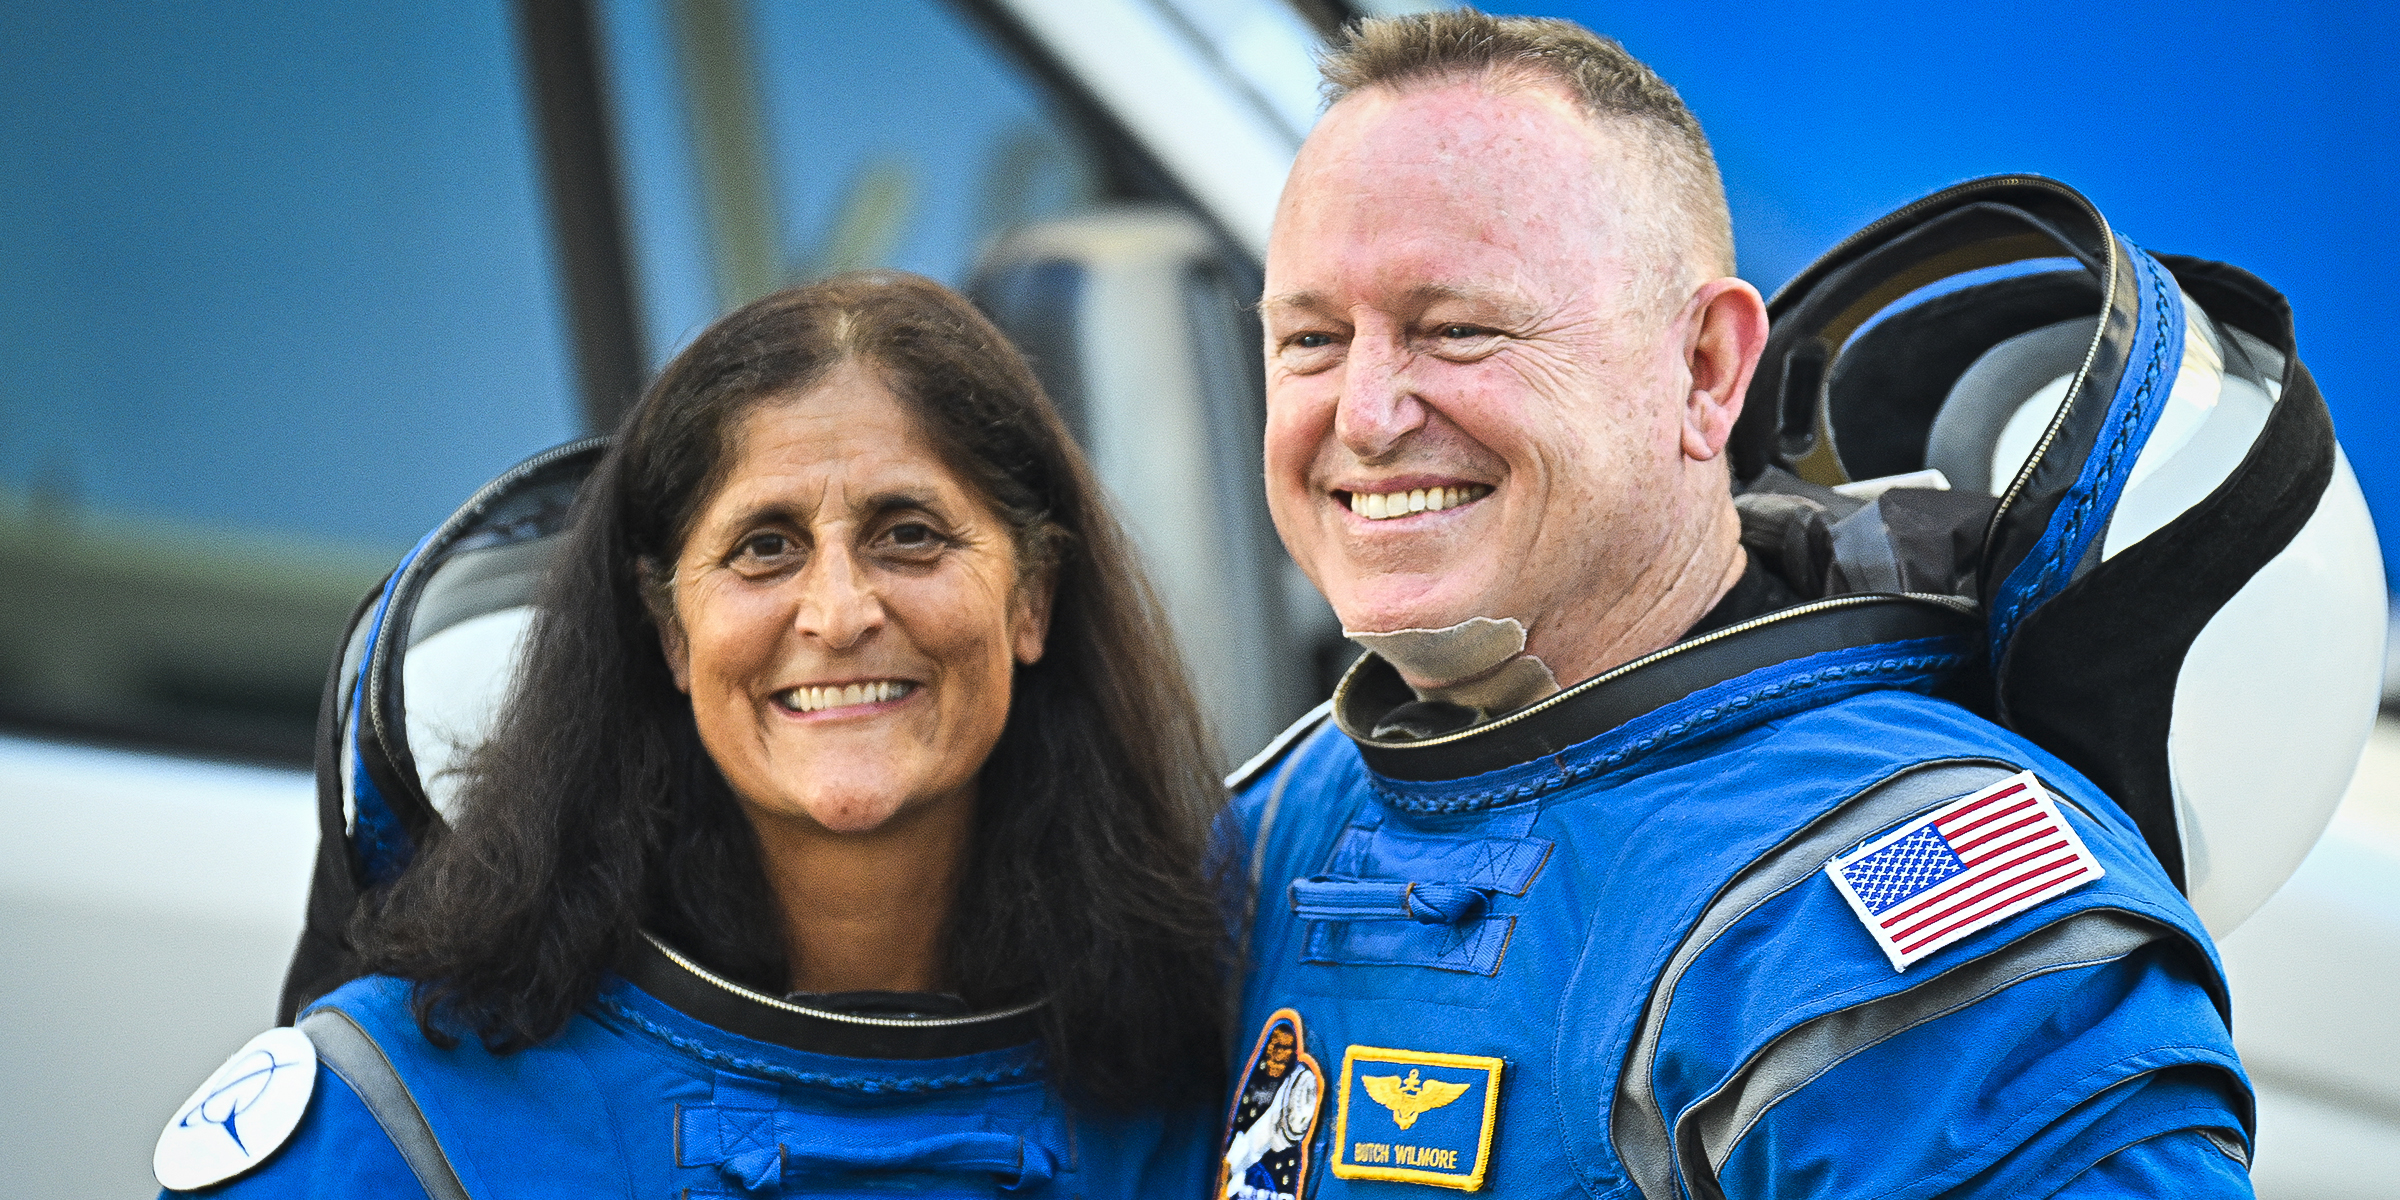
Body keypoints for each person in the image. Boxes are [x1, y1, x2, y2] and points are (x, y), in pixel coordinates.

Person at [1217, 12, 2255, 1200]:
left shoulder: (1922, 933)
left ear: (1706, 368)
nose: (1363, 413)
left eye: (1459, 329)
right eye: (1311, 338)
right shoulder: (1291, 810)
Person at [155, 273, 1227, 1197]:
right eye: (765, 548)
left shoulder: (1211, 1087)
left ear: (1032, 596)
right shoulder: (396, 1123)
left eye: (910, 534)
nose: (840, 611)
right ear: (669, 629)